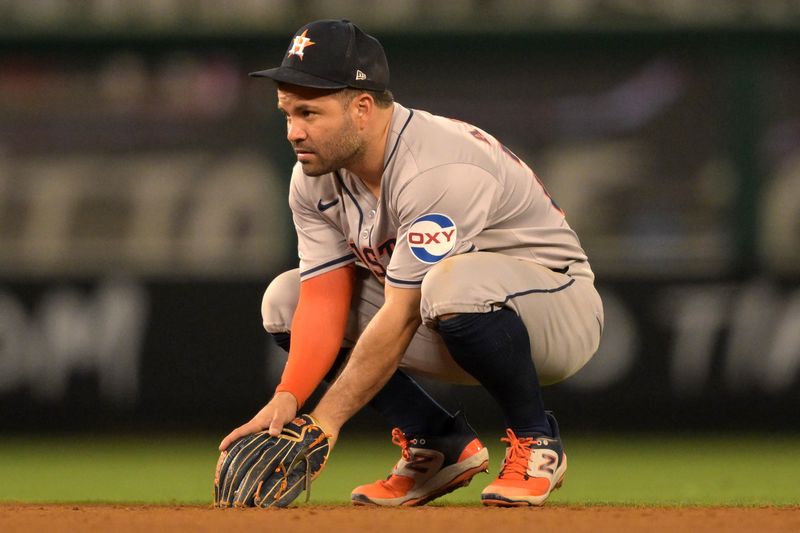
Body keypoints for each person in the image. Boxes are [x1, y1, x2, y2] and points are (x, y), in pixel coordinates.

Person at [219, 19, 603, 507]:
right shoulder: (314, 177)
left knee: (450, 284)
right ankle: (437, 443)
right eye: (287, 113)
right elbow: (322, 301)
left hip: (557, 311)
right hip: (450, 315)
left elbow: (400, 313)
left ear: (361, 108)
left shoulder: (437, 167)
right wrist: (289, 399)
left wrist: (324, 424)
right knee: (285, 299)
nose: (294, 131)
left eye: (309, 113)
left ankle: (537, 440)